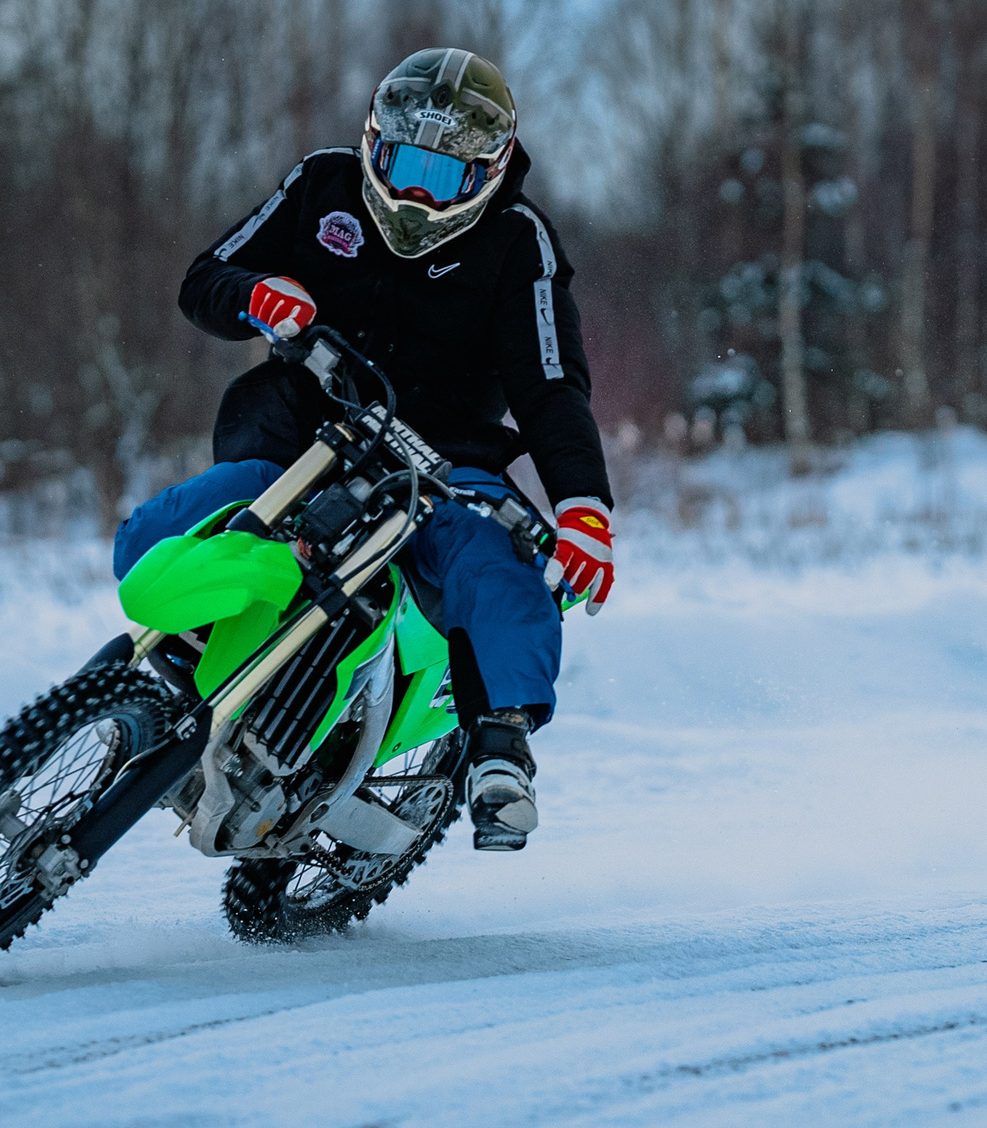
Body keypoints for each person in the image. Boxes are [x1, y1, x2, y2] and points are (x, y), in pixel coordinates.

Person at [111, 47, 613, 852]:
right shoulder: (322, 185)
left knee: (491, 560)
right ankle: (175, 654)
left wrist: (585, 504)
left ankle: (499, 749)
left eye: (445, 177)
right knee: (198, 516)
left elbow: (552, 385)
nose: (417, 191)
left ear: (488, 173)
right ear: (374, 144)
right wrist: (255, 296)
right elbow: (206, 276)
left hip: (443, 459)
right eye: (404, 164)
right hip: (304, 430)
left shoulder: (521, 243)